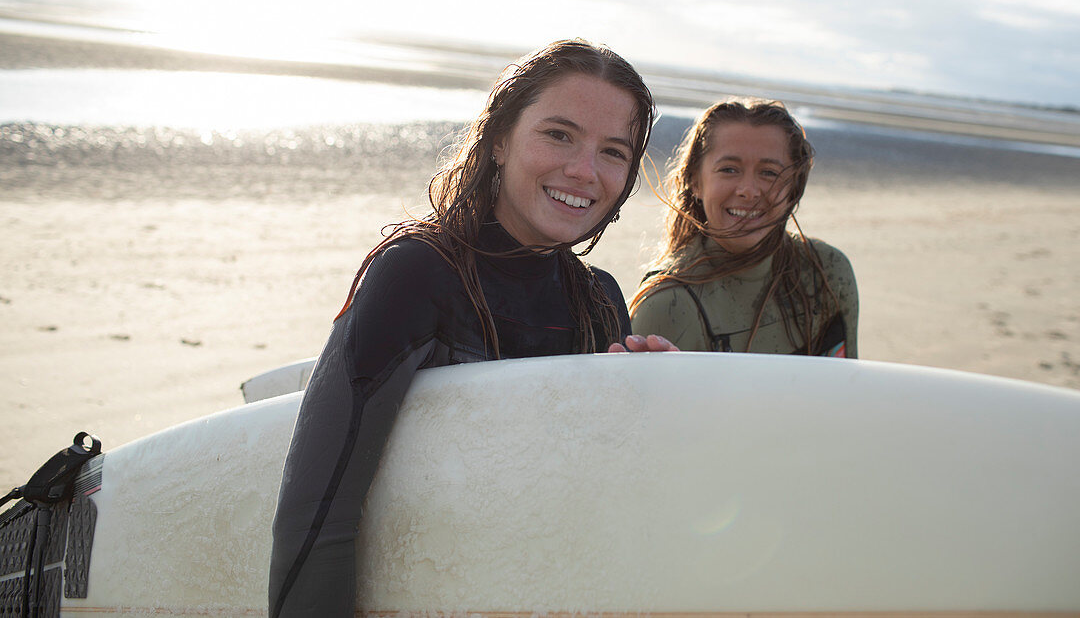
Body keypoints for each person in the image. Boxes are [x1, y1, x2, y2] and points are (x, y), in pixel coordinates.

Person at [268, 39, 673, 618]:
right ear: (500, 139)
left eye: (613, 152)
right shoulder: (418, 274)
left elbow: (588, 508)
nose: (584, 171)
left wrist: (654, 411)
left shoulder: (601, 301)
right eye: (559, 134)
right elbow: (316, 515)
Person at [629, 98, 858, 356]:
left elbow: (848, 389)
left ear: (793, 186)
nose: (748, 191)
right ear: (696, 181)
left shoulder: (827, 272)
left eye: (769, 172)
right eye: (729, 169)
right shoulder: (666, 303)